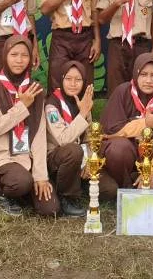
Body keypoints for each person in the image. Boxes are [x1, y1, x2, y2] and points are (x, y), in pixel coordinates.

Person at [0, 35, 59, 216]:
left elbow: (39, 135)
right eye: (14, 54)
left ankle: (25, 189)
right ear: (5, 56)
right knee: (21, 181)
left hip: (26, 159)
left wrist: (41, 176)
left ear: (31, 59)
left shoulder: (35, 89)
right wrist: (22, 107)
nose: (19, 60)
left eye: (25, 55)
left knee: (50, 209)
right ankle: (1, 191)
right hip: (0, 158)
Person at [100, 53, 153, 190]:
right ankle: (126, 185)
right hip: (128, 155)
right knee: (117, 150)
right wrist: (145, 123)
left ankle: (145, 184)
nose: (148, 80)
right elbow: (110, 131)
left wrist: (150, 172)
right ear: (136, 73)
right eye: (143, 74)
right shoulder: (122, 92)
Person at [44, 61, 116, 214]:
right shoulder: (52, 105)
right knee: (73, 150)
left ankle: (79, 183)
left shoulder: (83, 102)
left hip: (80, 159)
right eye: (68, 79)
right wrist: (83, 113)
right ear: (61, 79)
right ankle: (66, 196)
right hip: (57, 160)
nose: (73, 84)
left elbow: (89, 139)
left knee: (110, 190)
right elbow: (63, 140)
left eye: (78, 80)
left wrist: (90, 161)